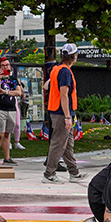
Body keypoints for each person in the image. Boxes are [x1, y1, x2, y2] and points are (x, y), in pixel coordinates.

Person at [42, 43, 86, 184]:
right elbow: (64, 95)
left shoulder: (56, 69)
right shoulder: (65, 71)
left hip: (56, 111)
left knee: (67, 144)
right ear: (74, 56)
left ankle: (74, 173)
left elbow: (46, 85)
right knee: (58, 143)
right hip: (62, 113)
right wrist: (67, 116)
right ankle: (49, 174)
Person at [0, 57, 22, 164]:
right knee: (0, 133)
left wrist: (6, 92)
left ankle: (7, 157)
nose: (5, 67)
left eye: (7, 65)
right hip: (0, 109)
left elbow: (18, 92)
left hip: (11, 109)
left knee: (7, 134)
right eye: (3, 66)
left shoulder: (13, 79)